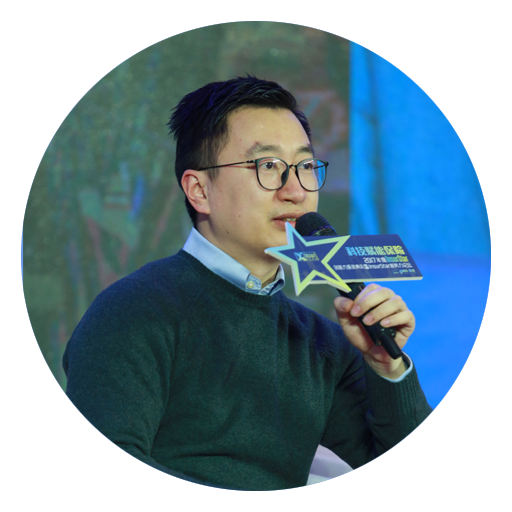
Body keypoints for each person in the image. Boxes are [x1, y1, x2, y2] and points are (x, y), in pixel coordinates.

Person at [63, 76, 432, 491]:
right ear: (199, 190)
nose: (295, 191)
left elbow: (413, 481)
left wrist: (388, 368)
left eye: (305, 167)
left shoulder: (324, 342)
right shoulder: (132, 312)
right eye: (267, 166)